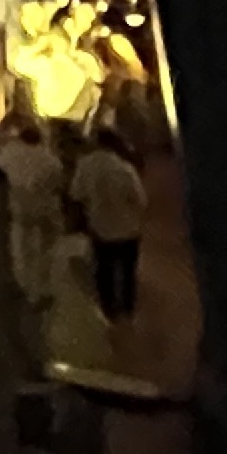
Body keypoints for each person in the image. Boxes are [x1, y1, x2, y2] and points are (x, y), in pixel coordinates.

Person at [0, 108, 68, 311]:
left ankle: (28, 290)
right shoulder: (48, 158)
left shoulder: (10, 154)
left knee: (23, 249)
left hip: (20, 207)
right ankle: (45, 289)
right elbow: (59, 180)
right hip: (46, 208)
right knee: (48, 249)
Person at [74, 127, 149, 323]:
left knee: (104, 270)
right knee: (128, 271)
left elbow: (76, 194)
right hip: (128, 227)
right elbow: (140, 199)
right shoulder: (124, 168)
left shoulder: (85, 166)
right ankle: (127, 308)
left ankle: (108, 310)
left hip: (99, 226)